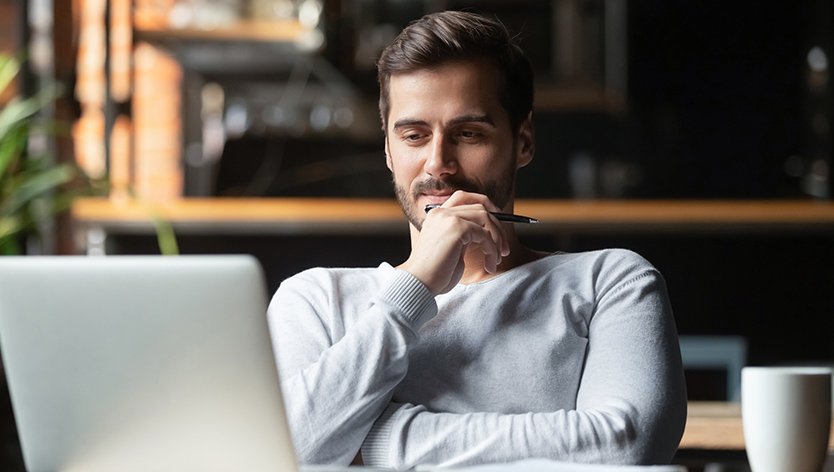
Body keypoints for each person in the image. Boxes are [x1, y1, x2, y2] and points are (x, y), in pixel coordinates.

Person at [267, 10, 687, 470]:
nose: (437, 164)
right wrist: (415, 286)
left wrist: (375, 439)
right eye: (414, 135)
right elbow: (279, 452)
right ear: (388, 150)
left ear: (523, 141)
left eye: (468, 134)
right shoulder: (315, 299)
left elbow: (627, 446)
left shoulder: (611, 281)